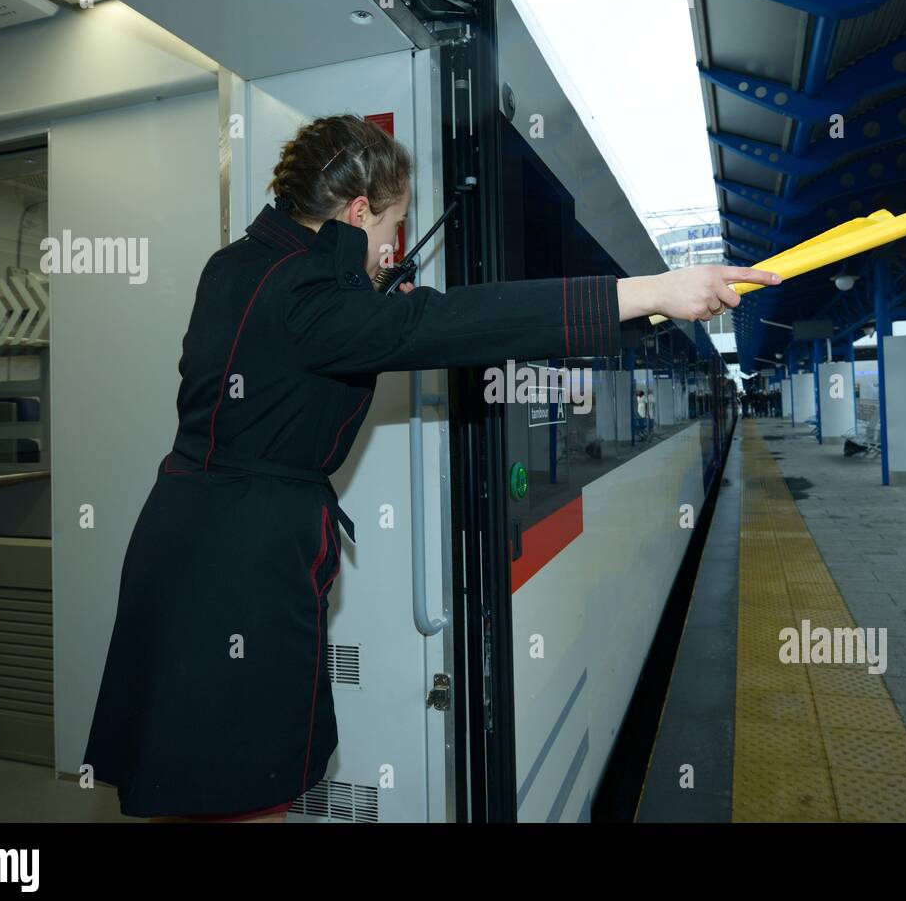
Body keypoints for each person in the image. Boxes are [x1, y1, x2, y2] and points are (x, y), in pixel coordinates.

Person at [82, 114, 779, 822]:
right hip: (245, 568)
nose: (395, 246)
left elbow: (284, 355)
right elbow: (470, 321)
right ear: (358, 213)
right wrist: (655, 292)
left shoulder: (234, 266)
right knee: (247, 784)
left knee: (184, 767)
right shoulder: (317, 302)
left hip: (177, 539)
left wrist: (368, 298)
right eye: (394, 225)